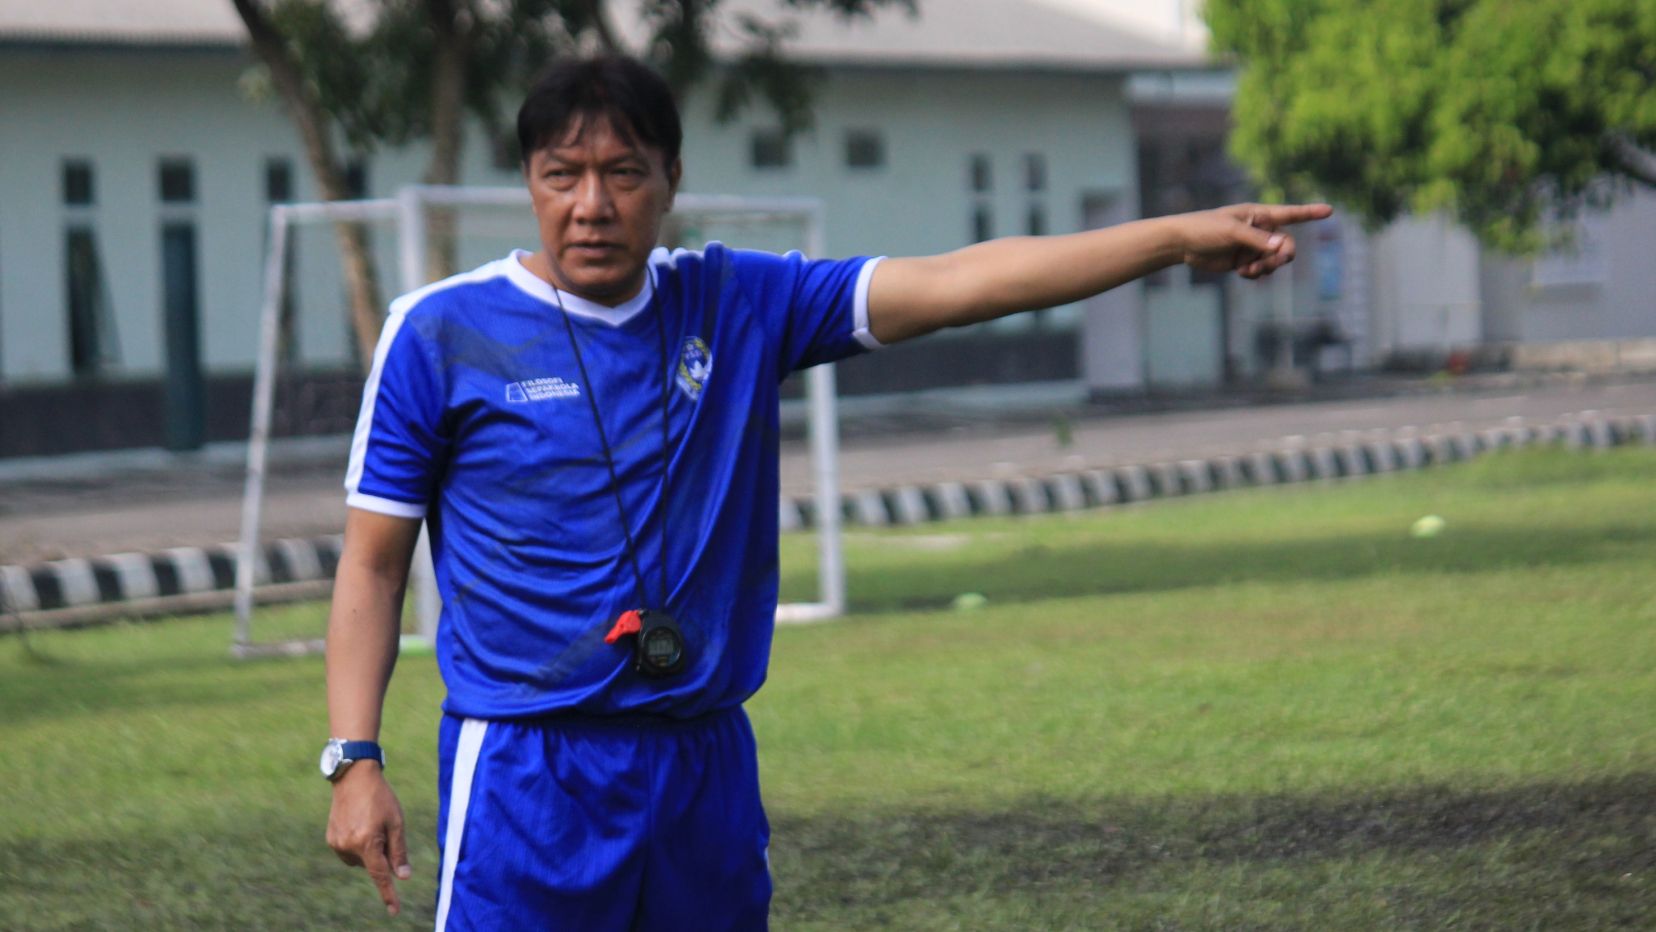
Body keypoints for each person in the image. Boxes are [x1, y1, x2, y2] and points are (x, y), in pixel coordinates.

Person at [321, 55, 1332, 930]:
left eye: (623, 173)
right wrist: (355, 756)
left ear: (671, 178)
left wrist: (1173, 238)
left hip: (702, 761)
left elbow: (963, 281)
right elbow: (372, 563)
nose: (593, 204)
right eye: (563, 175)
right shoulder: (439, 333)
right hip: (528, 769)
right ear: (530, 183)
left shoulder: (739, 300)